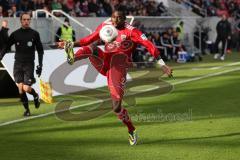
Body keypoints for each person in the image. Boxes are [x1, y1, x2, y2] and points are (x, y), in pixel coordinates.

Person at [58, 9, 173, 145]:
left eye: (118, 18)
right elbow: (88, 39)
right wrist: (71, 44)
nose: (115, 20)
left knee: (116, 107)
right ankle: (73, 57)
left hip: (118, 67)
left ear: (124, 19)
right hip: (105, 61)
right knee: (93, 47)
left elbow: (149, 45)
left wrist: (162, 64)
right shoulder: (105, 26)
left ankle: (131, 129)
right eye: (113, 17)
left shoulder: (132, 31)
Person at [0, 12, 44, 117]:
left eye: (28, 19)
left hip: (29, 64)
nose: (26, 21)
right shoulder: (15, 34)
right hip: (18, 64)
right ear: (21, 21)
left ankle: (35, 95)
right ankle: (27, 110)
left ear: (30, 21)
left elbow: (40, 50)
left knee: (26, 88)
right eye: (24, 19)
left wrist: (40, 65)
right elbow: (7, 46)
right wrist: (1, 56)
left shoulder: (34, 34)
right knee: (20, 87)